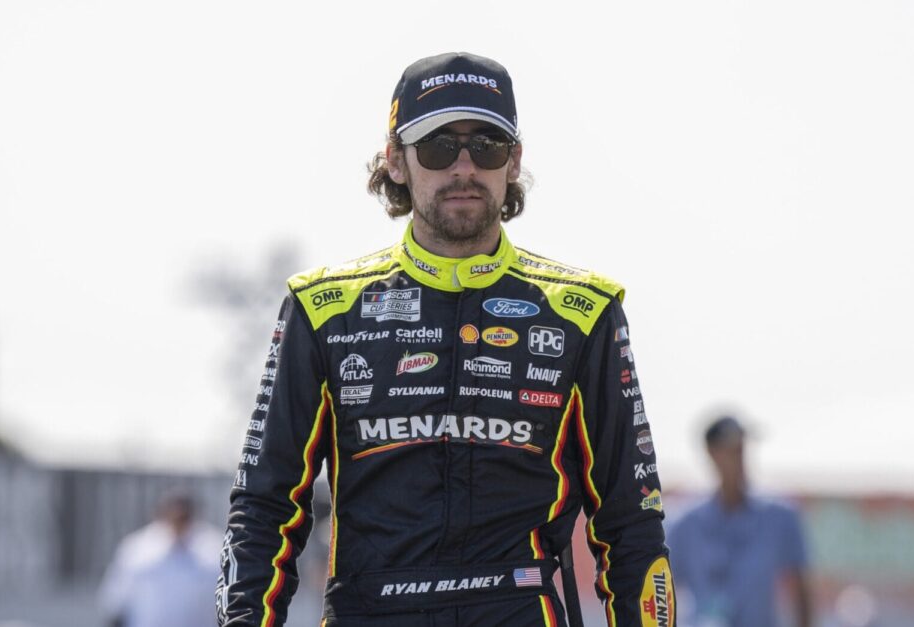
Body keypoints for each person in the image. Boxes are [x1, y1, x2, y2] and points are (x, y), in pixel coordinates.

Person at [216, 51, 675, 627]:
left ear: (514, 161)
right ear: (397, 162)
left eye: (487, 145)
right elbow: (263, 509)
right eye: (437, 146)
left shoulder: (581, 312)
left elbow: (632, 523)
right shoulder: (325, 308)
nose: (464, 167)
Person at [667, 416, 813, 627]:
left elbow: (801, 589)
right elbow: (663, 589)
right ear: (712, 453)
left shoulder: (779, 517)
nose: (740, 457)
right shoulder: (684, 524)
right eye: (731, 450)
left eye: (742, 449)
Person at [99, 491, 222, 627]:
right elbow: (116, 601)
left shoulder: (214, 548)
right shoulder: (137, 548)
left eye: (183, 515)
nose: (178, 518)